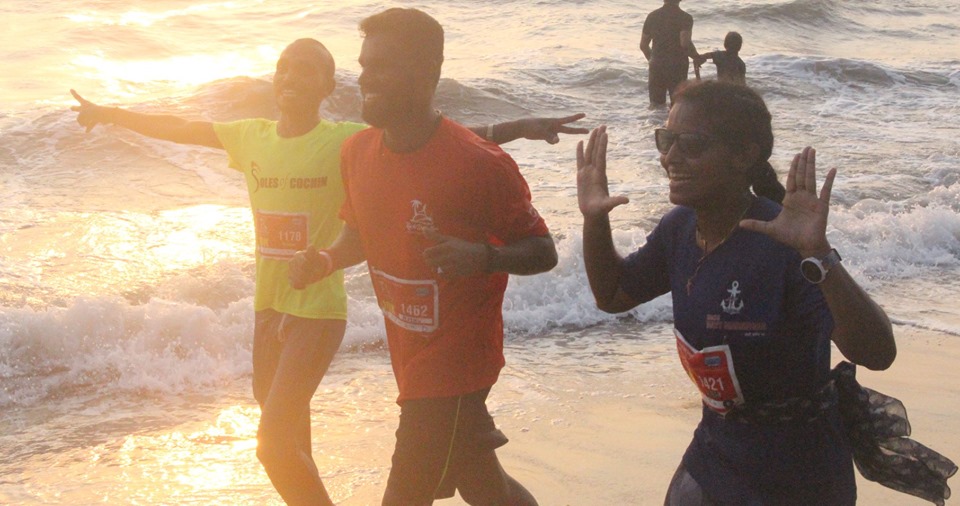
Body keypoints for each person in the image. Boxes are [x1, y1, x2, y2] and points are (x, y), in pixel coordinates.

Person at [70, 38, 584, 506]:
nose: (290, 77)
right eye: (283, 67)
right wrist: (110, 113)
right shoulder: (251, 137)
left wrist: (518, 128)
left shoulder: (345, 140)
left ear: (327, 86)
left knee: (274, 445)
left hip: (318, 312)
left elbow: (440, 142)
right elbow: (182, 130)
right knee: (473, 481)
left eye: (305, 70)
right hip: (269, 307)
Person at [575, 79, 920, 504]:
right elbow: (612, 295)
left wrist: (819, 255)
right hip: (716, 449)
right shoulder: (679, 228)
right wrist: (594, 219)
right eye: (666, 140)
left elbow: (878, 353)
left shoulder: (785, 243)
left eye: (691, 144)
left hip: (796, 473)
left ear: (743, 155)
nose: (670, 157)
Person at [289, 8, 555, 505]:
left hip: (458, 360)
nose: (365, 79)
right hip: (409, 354)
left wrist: (482, 257)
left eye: (382, 67)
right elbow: (359, 237)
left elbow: (543, 251)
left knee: (406, 493)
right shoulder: (357, 153)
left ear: (428, 72)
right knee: (483, 485)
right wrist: (322, 260)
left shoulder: (479, 163)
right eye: (364, 66)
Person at [640, 0, 700, 106]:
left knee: (656, 105)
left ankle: (656, 118)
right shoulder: (685, 17)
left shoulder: (652, 16)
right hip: (677, 64)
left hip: (656, 64)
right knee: (677, 103)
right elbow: (685, 43)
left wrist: (653, 60)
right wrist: (696, 57)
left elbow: (643, 45)